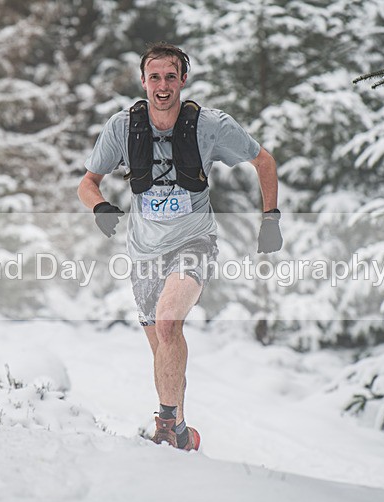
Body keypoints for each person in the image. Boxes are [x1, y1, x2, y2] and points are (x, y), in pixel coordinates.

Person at [77, 42, 282, 451]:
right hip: (143, 253)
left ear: (183, 80)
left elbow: (265, 161)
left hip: (194, 241)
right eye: (155, 77)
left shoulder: (210, 125)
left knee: (169, 322)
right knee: (164, 350)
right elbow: (87, 183)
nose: (163, 85)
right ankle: (183, 430)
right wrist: (99, 206)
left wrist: (270, 218)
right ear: (144, 81)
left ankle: (166, 430)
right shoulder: (123, 127)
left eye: (171, 76)